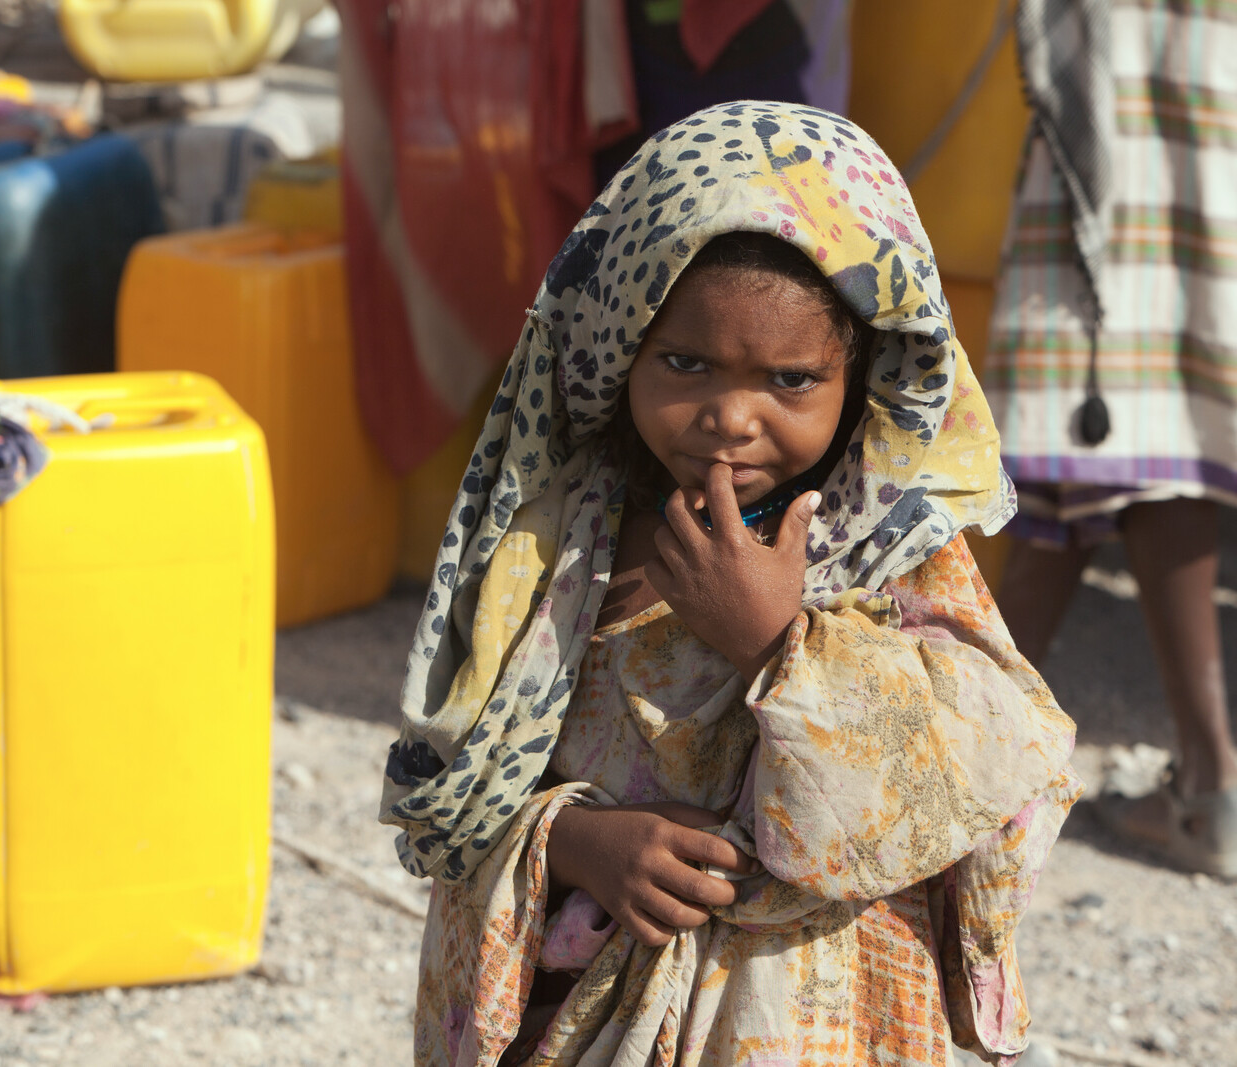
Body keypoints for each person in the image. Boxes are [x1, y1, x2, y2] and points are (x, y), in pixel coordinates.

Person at [380, 101, 1081, 1067]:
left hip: (798, 1020)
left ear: (865, 370)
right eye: (685, 363)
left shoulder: (889, 542)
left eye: (790, 380)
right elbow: (452, 792)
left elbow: (998, 776)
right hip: (574, 1005)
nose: (731, 418)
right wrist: (579, 842)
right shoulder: (556, 535)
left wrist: (778, 642)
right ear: (620, 342)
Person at [986, 0, 1237, 879]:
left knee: (1110, 422)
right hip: (1212, 102)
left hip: (1119, 116)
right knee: (1117, 434)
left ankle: (965, 770)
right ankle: (969, 762)